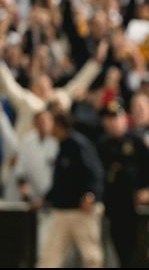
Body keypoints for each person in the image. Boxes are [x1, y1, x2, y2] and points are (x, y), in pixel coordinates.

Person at [97, 100, 149, 267]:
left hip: (140, 208)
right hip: (115, 209)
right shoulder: (103, 145)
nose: (113, 123)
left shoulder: (138, 140)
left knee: (141, 252)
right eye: (109, 119)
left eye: (116, 118)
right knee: (121, 252)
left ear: (124, 118)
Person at [38, 111, 104, 268]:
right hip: (62, 210)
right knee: (49, 257)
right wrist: (47, 198)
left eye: (52, 124)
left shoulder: (79, 144)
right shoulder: (61, 146)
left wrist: (91, 195)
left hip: (82, 211)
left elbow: (95, 172)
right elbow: (62, 181)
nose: (49, 128)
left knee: (91, 257)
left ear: (60, 126)